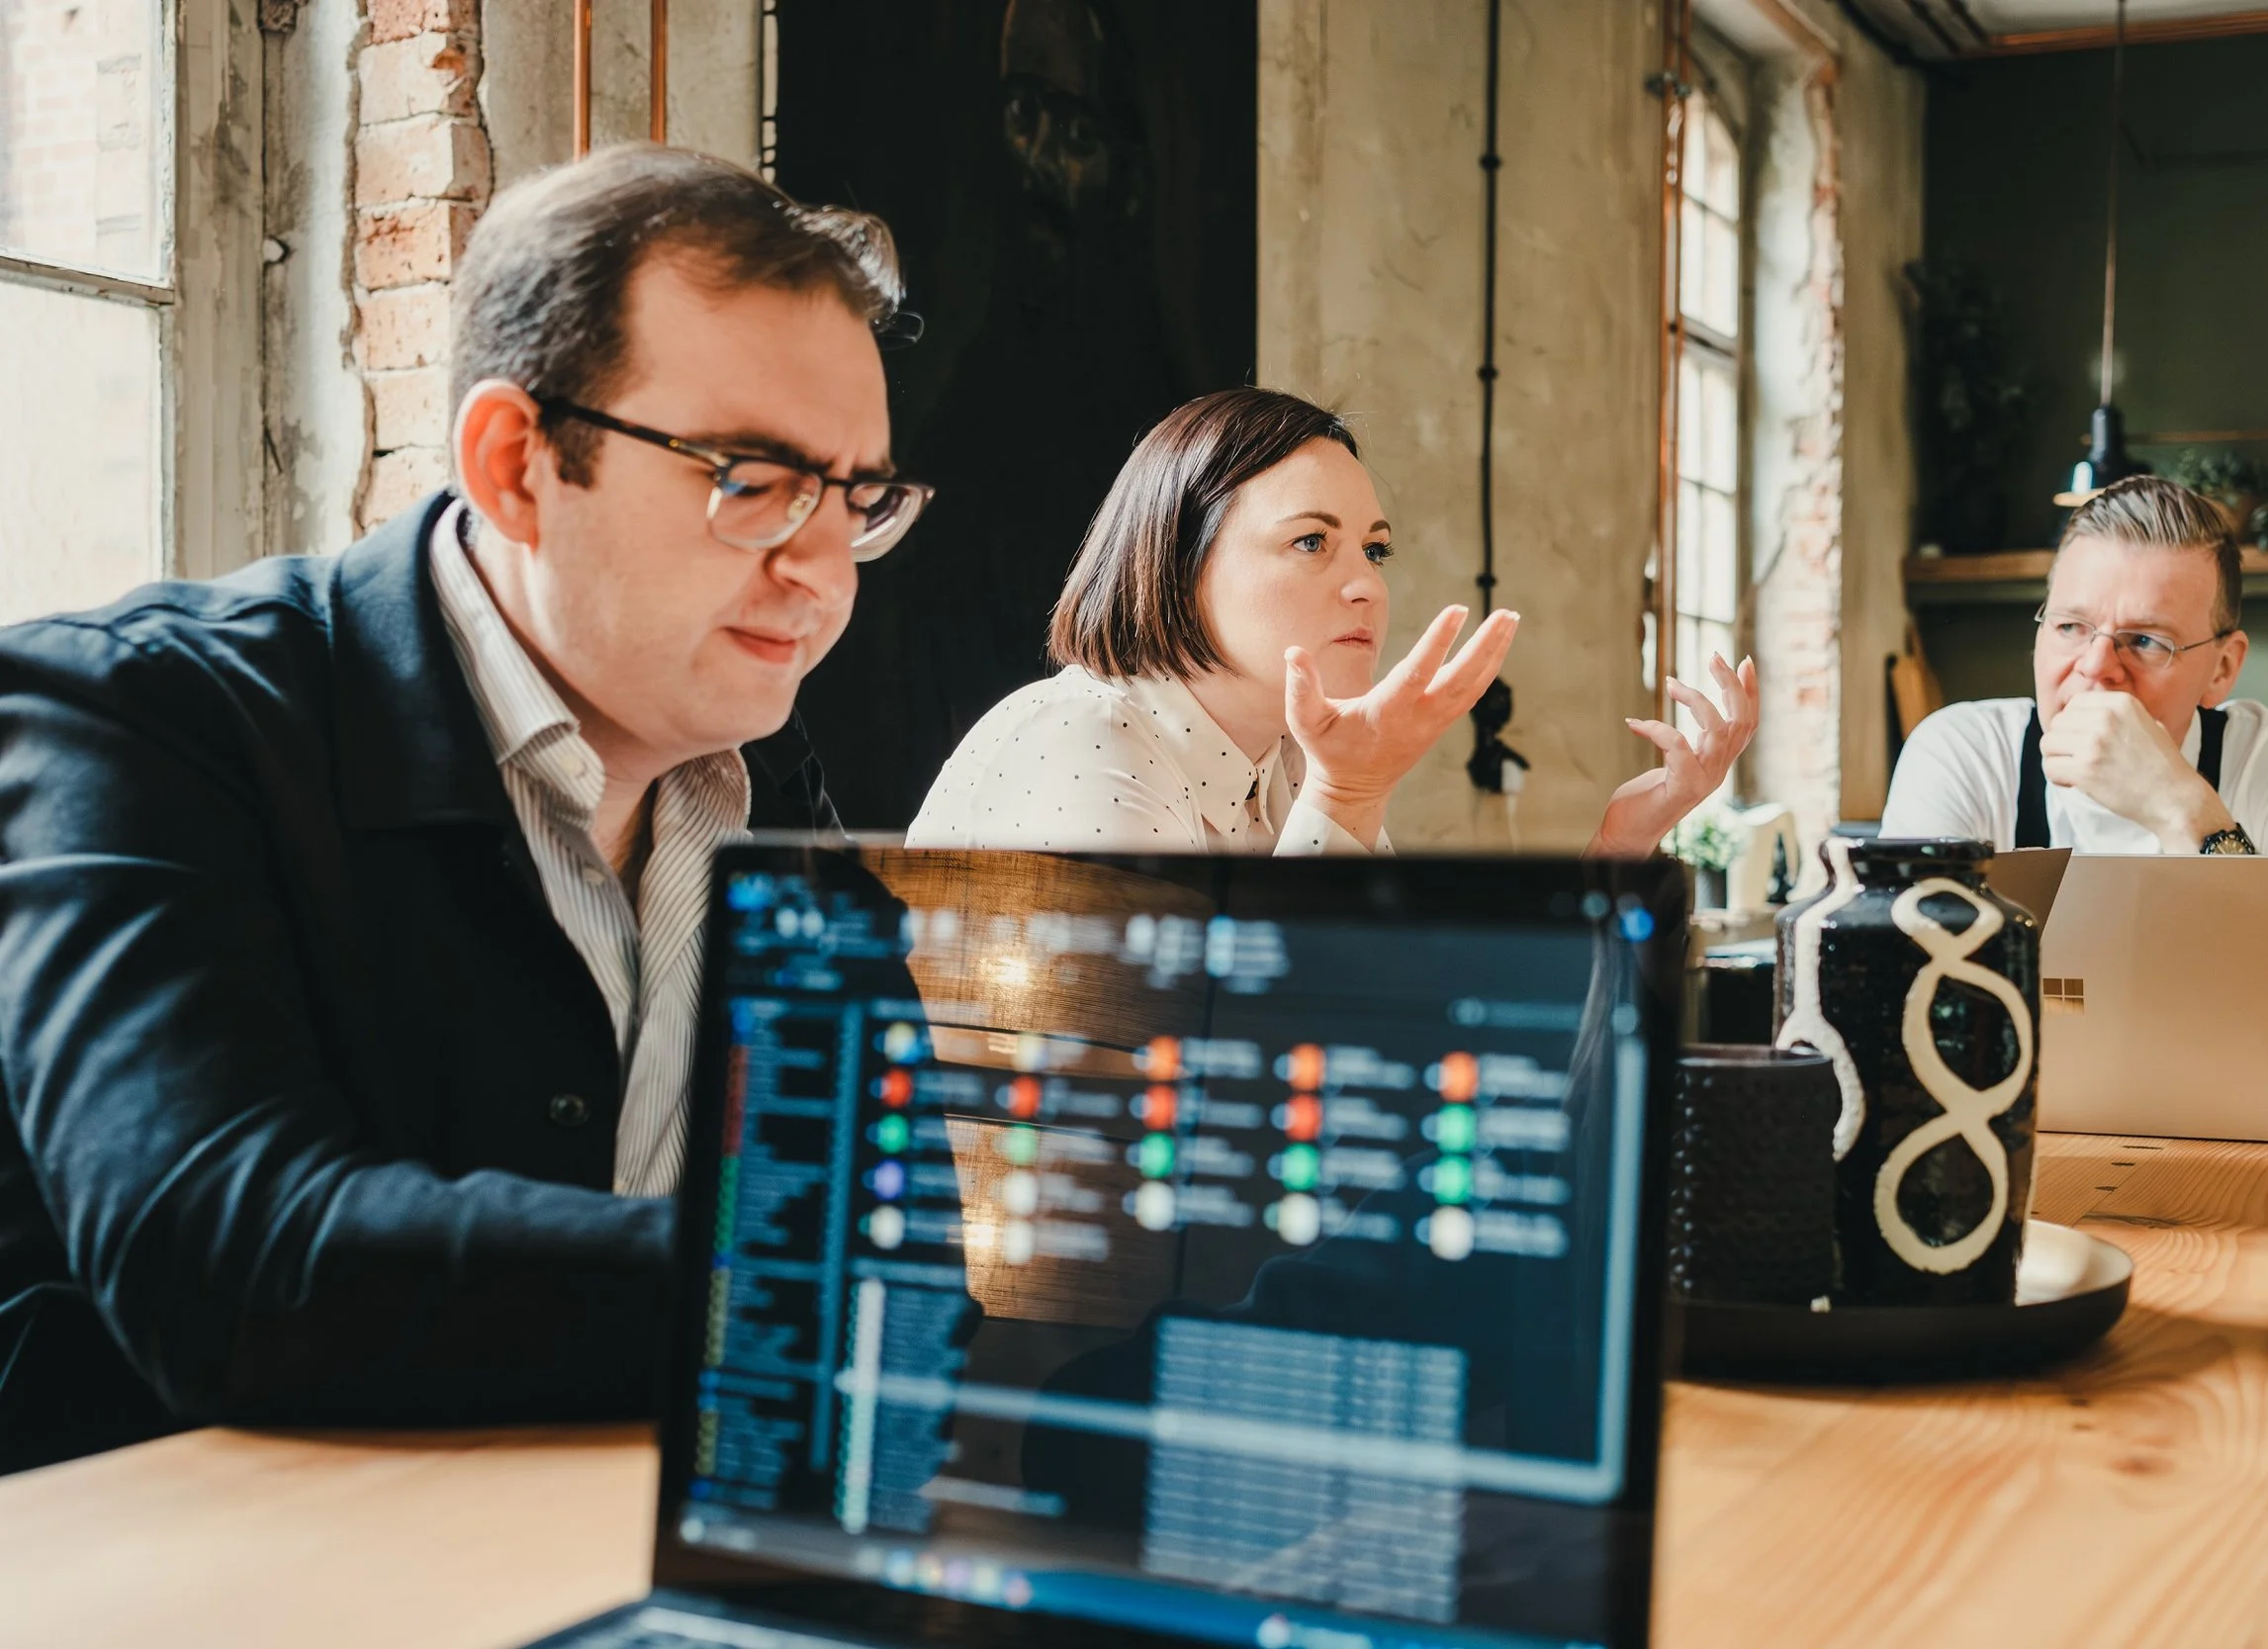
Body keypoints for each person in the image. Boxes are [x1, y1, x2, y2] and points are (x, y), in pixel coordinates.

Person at [0, 146, 925, 1472]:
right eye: (751, 481)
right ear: (514, 462)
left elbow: (889, 1199)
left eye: (858, 498)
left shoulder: (761, 778)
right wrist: (819, 1291)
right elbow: (235, 1258)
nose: (824, 574)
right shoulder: (137, 714)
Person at [907, 388, 1758, 855]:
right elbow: (1222, 1085)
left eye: (1375, 551)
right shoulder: (1085, 738)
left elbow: (1412, 1033)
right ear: (1177, 558)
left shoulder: (1278, 764)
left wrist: (1625, 837)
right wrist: (1348, 793)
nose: (1366, 587)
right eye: (1311, 541)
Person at [1880, 476, 2268, 1104]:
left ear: (2222, 669)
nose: (2095, 667)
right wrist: (2214, 1059)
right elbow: (1897, 1012)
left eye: (2145, 641)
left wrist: (2183, 807)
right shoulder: (1962, 753)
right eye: (2069, 627)